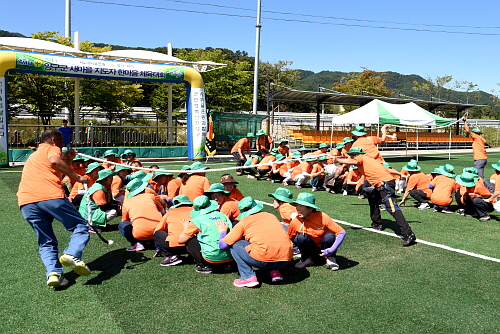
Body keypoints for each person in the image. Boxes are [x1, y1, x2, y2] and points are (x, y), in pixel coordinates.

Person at [17, 129, 91, 288]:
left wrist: (69, 159)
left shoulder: (35, 155)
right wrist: (78, 177)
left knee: (46, 241)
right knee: (80, 226)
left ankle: (54, 274)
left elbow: (56, 171)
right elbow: (55, 161)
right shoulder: (51, 148)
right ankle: (72, 254)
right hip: (50, 196)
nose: (63, 146)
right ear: (54, 140)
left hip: (26, 201)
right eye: (62, 143)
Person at [333, 147, 416, 247]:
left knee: (393, 208)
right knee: (372, 198)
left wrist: (338, 160)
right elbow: (387, 169)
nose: (349, 157)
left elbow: (354, 161)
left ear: (355, 155)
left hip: (384, 184)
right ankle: (377, 224)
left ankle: (409, 234)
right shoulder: (370, 161)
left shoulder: (360, 158)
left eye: (351, 155)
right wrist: (401, 174)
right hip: (382, 184)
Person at [217, 196, 293, 287]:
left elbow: (223, 245)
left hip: (264, 260)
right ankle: (274, 271)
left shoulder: (244, 221)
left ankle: (248, 276)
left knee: (234, 245)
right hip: (286, 260)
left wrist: (222, 231)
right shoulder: (271, 215)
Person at [288, 192, 346, 271]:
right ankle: (306, 258)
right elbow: (288, 239)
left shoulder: (322, 216)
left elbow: (342, 232)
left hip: (324, 249)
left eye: (301, 206)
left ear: (310, 209)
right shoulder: (295, 221)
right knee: (301, 237)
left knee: (330, 236)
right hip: (311, 250)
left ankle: (330, 258)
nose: (297, 209)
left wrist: (331, 250)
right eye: (297, 206)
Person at [178, 195, 234, 274]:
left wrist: (186, 227)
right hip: (229, 256)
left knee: (190, 241)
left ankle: (204, 265)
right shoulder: (222, 215)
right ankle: (228, 264)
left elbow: (181, 240)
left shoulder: (196, 220)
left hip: (211, 258)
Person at [119, 178, 164, 251]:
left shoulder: (126, 204)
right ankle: (156, 240)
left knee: (122, 225)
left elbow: (125, 221)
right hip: (159, 231)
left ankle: (137, 243)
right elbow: (163, 212)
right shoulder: (151, 196)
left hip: (140, 234)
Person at [154, 195, 193, 266]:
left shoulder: (170, 212)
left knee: (158, 234)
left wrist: (159, 249)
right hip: (192, 244)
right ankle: (193, 255)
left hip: (174, 246)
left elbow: (158, 229)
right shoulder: (194, 211)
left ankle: (171, 256)